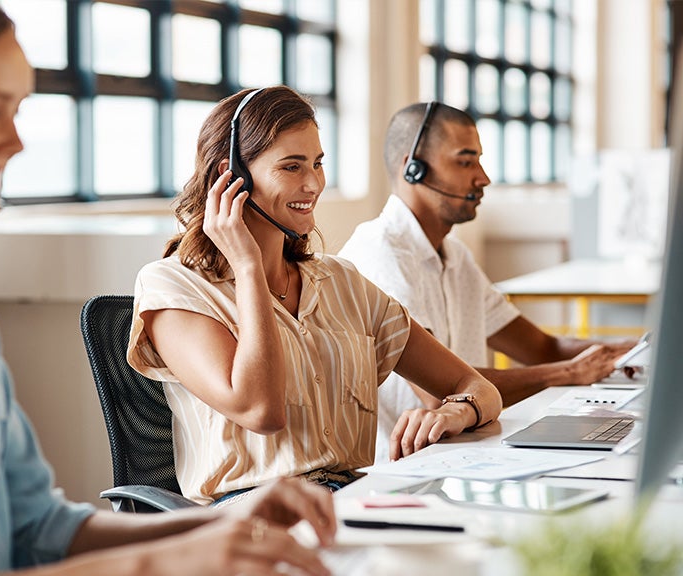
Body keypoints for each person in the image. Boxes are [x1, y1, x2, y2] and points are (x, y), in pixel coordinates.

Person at [0, 2, 337, 575]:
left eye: (17, 111)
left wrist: (222, 522)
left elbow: (39, 527)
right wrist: (162, 563)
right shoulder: (174, 286)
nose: (16, 142)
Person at [126, 86, 503, 506]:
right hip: (250, 512)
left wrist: (457, 410)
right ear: (230, 176)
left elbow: (478, 388)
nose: (313, 184)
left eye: (318, 163)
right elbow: (260, 411)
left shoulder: (342, 282)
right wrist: (248, 267)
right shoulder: (173, 287)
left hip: (351, 497)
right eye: (291, 166)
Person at [337, 101, 638, 463]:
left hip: (465, 456)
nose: (483, 178)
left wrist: (630, 350)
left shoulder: (455, 255)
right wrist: (570, 373)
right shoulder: (380, 255)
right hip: (404, 467)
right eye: (465, 162)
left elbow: (542, 348)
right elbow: (439, 394)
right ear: (413, 168)